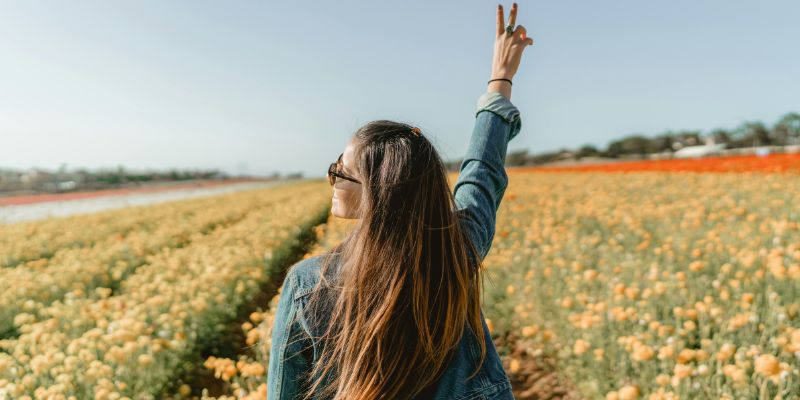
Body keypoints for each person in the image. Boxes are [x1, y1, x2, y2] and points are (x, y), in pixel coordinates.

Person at [268, 3, 534, 399]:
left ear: (376, 195)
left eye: (342, 172)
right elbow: (481, 176)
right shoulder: (454, 254)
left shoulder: (309, 285)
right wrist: (500, 80)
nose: (333, 179)